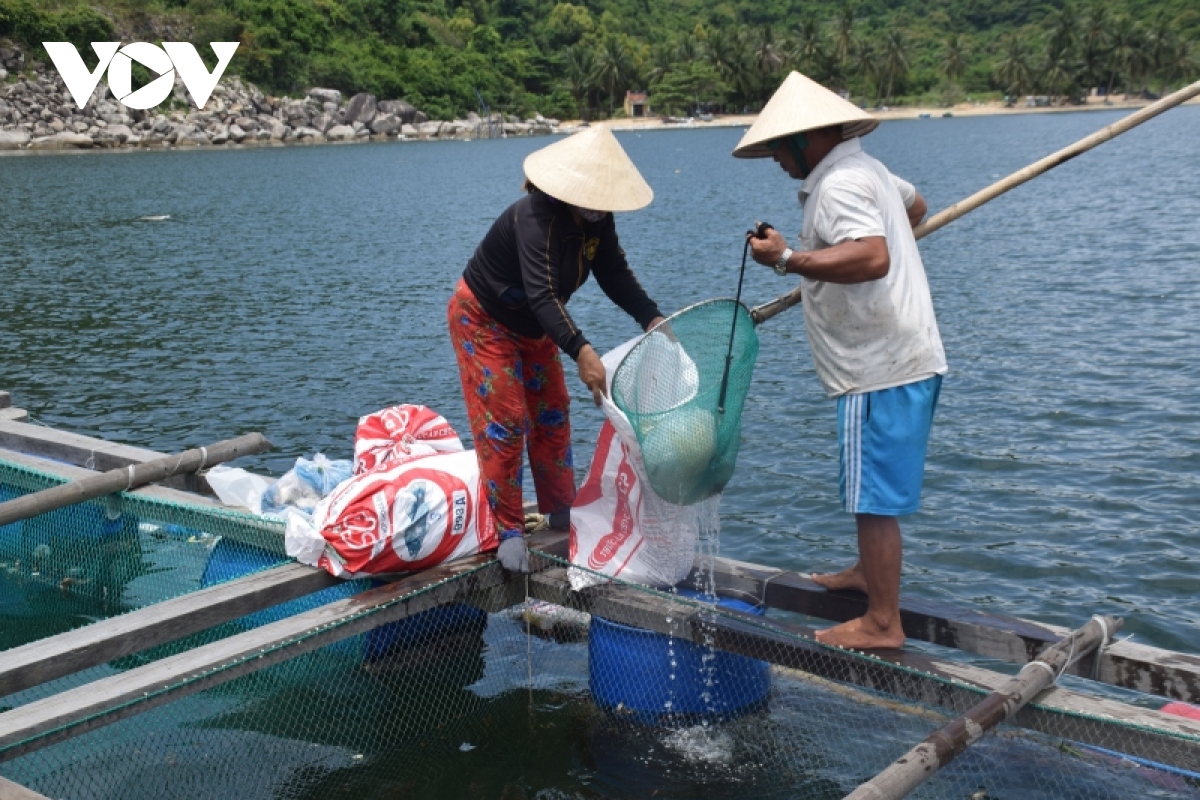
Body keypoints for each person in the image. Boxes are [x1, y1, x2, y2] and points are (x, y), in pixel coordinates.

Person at [733, 72, 948, 650]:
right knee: (870, 490)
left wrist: (788, 259)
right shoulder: (868, 171)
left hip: (878, 366)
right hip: (906, 353)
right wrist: (841, 254)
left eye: (779, 146)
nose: (775, 158)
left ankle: (882, 621)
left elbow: (874, 255)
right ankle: (867, 576)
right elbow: (916, 208)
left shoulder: (837, 187)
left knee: (872, 497)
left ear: (809, 138)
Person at [448, 126, 666, 573]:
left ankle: (560, 511)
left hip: (536, 325)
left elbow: (613, 272)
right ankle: (508, 530)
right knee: (505, 421)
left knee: (552, 412)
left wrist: (651, 317)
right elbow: (543, 294)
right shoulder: (536, 219)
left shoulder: (596, 221)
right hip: (484, 319)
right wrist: (582, 349)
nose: (600, 206)